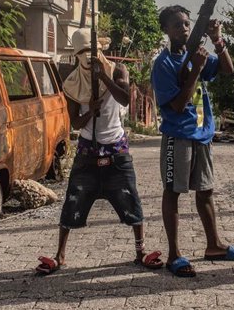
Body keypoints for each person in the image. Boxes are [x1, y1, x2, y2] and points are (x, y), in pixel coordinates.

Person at [36, 28, 162, 274]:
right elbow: (74, 122)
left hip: (116, 150)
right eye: (82, 53)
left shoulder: (117, 70)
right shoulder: (72, 83)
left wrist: (103, 79)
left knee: (131, 199)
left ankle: (140, 251)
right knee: (72, 202)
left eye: (92, 52)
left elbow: (125, 98)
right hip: (87, 153)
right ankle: (60, 255)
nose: (88, 58)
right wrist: (89, 111)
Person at [151, 5, 234, 278]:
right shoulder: (164, 64)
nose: (184, 28)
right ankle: (174, 254)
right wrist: (197, 69)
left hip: (202, 134)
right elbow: (179, 104)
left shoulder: (195, 56)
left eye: (187, 23)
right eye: (177, 24)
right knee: (173, 192)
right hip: (178, 136)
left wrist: (218, 40)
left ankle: (214, 245)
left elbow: (228, 69)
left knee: (205, 192)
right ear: (166, 31)